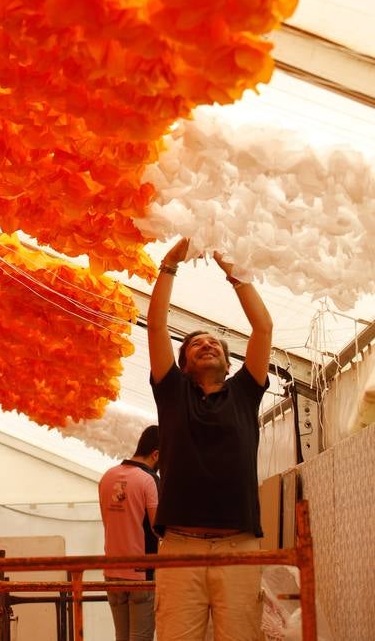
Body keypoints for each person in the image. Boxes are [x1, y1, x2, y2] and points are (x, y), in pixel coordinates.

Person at [147, 237, 273, 641]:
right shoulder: (172, 392)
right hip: (181, 547)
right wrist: (169, 264)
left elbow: (263, 327)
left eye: (215, 343)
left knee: (240, 636)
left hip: (238, 547)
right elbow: (156, 324)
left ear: (227, 360)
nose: (207, 344)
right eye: (196, 344)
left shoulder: (244, 391)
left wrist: (234, 272)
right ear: (182, 365)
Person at [99, 425, 161, 641]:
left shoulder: (107, 476)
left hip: (112, 571)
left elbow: (107, 521)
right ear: (156, 454)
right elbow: (157, 528)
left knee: (121, 637)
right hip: (140, 574)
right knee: (140, 638)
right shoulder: (148, 480)